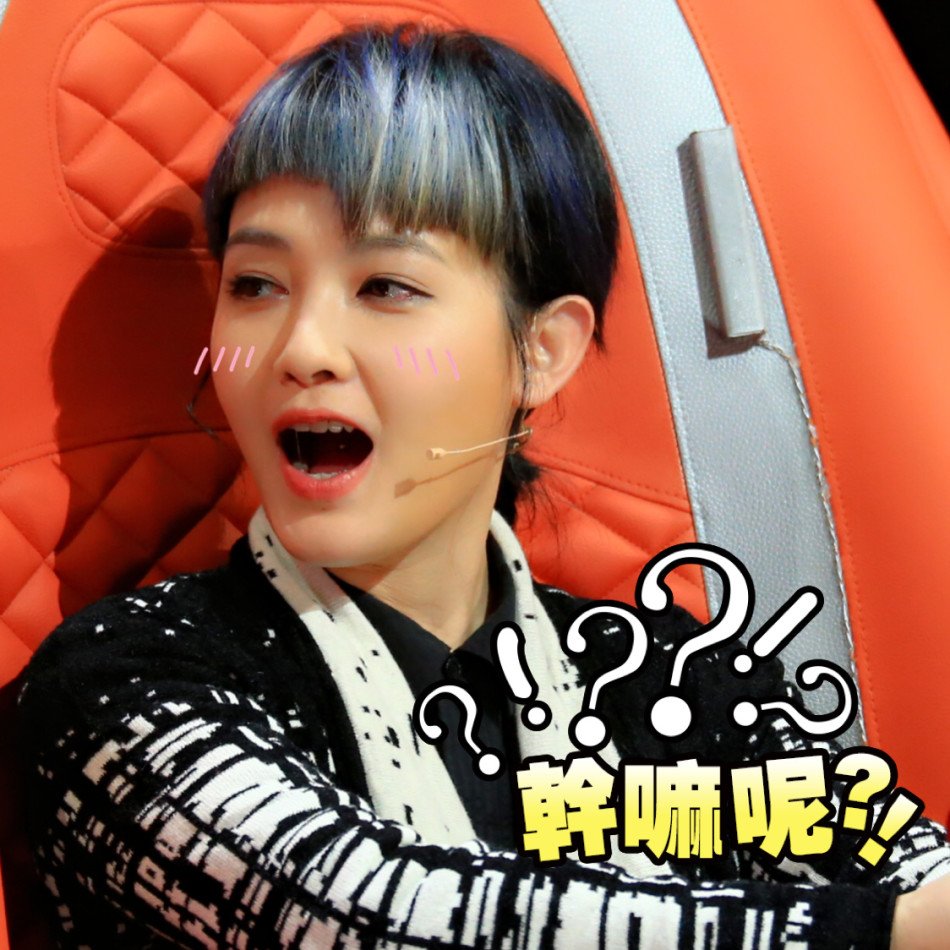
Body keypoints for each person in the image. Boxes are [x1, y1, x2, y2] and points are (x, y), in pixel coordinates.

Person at [15, 23, 950, 950]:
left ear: (540, 351)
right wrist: (885, 934)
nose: (302, 348)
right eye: (256, 285)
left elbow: (906, 861)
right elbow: (359, 914)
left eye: (386, 287)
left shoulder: (672, 681)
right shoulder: (121, 684)